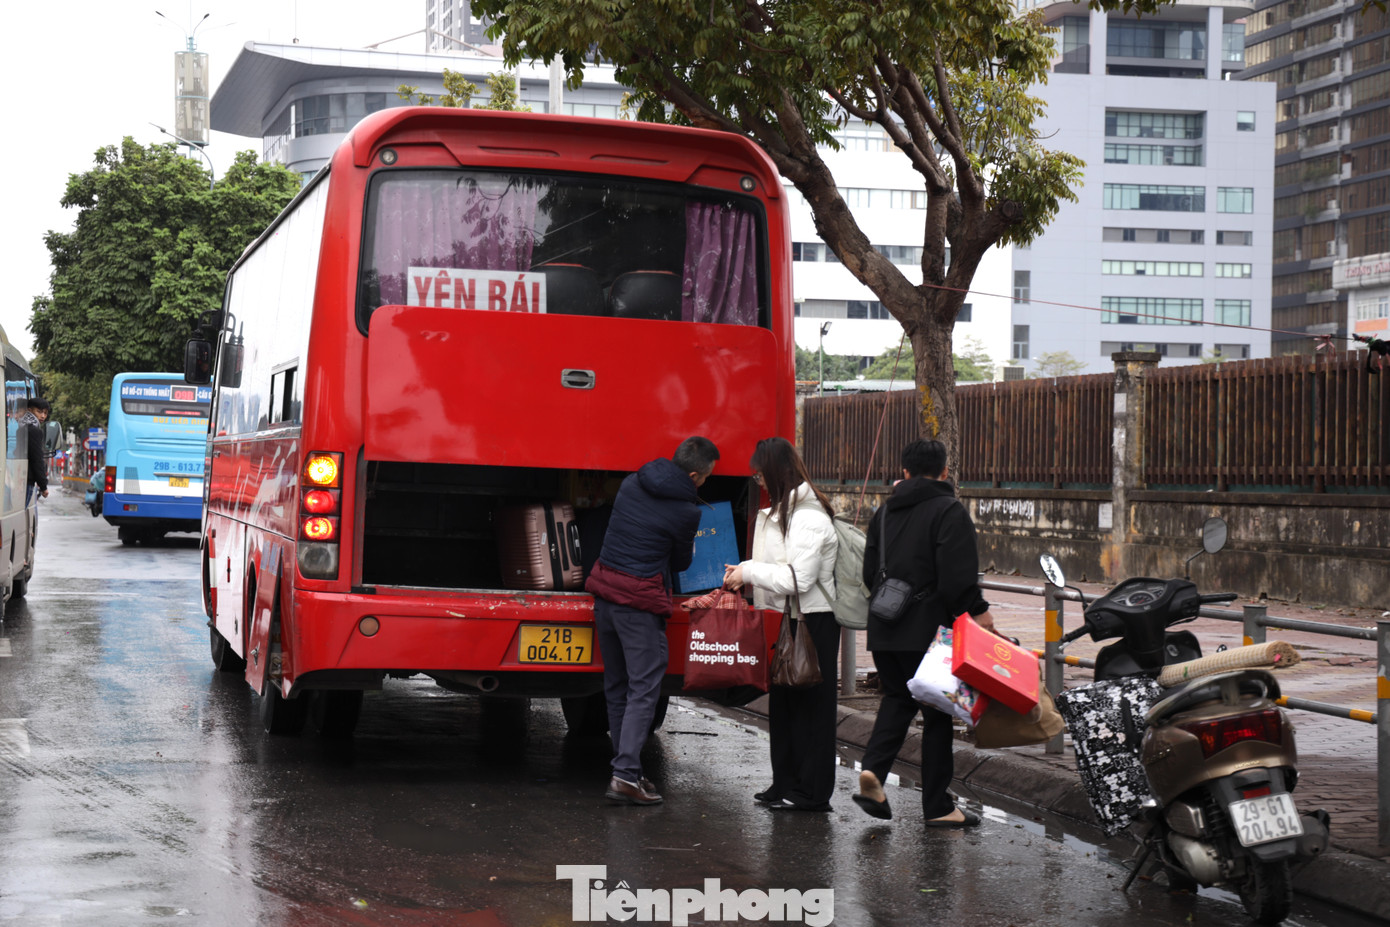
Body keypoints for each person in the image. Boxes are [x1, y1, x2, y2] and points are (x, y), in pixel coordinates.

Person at [854, 438, 996, 827]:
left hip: (884, 626)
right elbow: (957, 580)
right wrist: (978, 611)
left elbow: (870, 574)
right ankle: (937, 806)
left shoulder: (883, 513)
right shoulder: (949, 510)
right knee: (935, 716)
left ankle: (874, 772)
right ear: (944, 472)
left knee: (897, 699)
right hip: (928, 634)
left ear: (903, 472)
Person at [584, 436, 721, 805]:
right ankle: (625, 776)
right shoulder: (687, 512)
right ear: (694, 474)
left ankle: (625, 769)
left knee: (616, 687)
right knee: (643, 689)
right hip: (638, 605)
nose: (705, 484)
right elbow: (679, 563)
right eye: (705, 478)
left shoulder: (632, 482)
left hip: (605, 596)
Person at [723, 437, 839, 812]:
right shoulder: (782, 511)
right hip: (789, 619)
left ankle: (812, 793)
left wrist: (749, 572)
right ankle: (785, 783)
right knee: (786, 706)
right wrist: (746, 574)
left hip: (814, 621)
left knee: (811, 709)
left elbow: (798, 579)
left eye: (760, 473)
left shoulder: (808, 517)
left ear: (775, 472)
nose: (756, 479)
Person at [24, 398, 50, 505]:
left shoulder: (20, 427)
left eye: (45, 413)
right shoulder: (34, 430)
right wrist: (43, 486)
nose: (43, 416)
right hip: (27, 481)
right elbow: (37, 460)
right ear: (29, 410)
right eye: (39, 412)